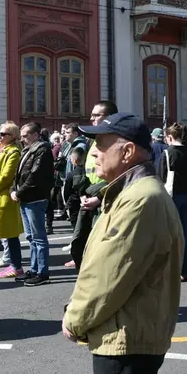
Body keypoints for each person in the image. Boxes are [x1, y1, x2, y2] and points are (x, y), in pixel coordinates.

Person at [63, 113, 183, 374]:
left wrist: (75, 319)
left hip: (126, 337)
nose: (94, 152)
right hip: (129, 332)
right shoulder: (134, 193)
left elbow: (108, 274)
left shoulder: (140, 199)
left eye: (102, 145)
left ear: (127, 152)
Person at [72, 101, 119, 270]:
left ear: (109, 117)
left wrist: (99, 197)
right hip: (90, 197)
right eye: (91, 115)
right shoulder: (91, 140)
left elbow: (121, 176)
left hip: (107, 199)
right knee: (85, 242)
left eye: (96, 115)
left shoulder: (117, 141)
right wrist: (83, 194)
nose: (91, 119)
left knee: (104, 247)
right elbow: (83, 171)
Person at [10, 122, 55, 286]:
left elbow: (35, 176)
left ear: (35, 135)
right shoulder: (28, 149)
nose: (22, 139)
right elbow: (19, 174)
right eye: (21, 136)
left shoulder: (42, 150)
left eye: (25, 136)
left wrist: (18, 192)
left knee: (39, 237)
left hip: (35, 198)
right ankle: (34, 269)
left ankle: (42, 272)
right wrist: (14, 190)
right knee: (31, 237)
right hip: (26, 198)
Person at [159, 122, 187, 282]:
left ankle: (172, 269)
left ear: (170, 137)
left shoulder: (167, 153)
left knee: (170, 233)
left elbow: (160, 177)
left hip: (171, 196)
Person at [0, 122, 25, 279]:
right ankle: (14, 265)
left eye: (3, 134)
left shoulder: (13, 152)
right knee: (8, 234)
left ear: (13, 136)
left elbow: (6, 177)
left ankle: (16, 266)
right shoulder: (4, 150)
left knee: (11, 233)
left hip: (6, 197)